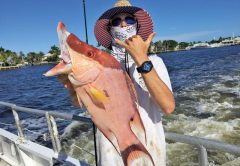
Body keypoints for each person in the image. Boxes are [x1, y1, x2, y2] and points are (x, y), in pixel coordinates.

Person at [93, 0, 175, 165]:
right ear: (110, 30)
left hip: (149, 151)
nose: (123, 24)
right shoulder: (99, 66)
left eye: (129, 19)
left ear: (137, 25)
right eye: (116, 21)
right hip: (111, 155)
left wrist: (141, 58)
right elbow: (94, 103)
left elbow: (168, 106)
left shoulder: (154, 62)